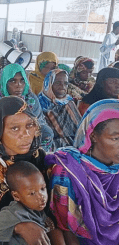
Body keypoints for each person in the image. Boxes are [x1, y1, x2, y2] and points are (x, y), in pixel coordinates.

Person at [0, 96, 58, 244]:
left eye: (29, 125)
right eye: (15, 128)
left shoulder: (36, 155)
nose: (26, 135)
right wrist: (20, 227)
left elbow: (46, 213)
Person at [46, 99, 119, 245]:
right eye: (115, 138)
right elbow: (67, 231)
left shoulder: (115, 168)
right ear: (93, 136)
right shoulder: (67, 172)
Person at [0, 64, 54, 151]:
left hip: (27, 135)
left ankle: (34, 156)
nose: (18, 85)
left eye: (22, 81)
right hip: (3, 139)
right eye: (13, 81)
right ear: (5, 83)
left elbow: (38, 123)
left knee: (47, 132)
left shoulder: (31, 99)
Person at [0, 161, 53, 245]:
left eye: (43, 188)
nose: (41, 196)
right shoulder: (11, 213)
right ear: (16, 196)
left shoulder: (38, 211)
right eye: (32, 193)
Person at [38, 69, 81, 150]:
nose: (63, 87)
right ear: (49, 84)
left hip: (76, 147)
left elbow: (80, 128)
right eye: (58, 83)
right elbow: (43, 137)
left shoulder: (69, 102)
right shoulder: (40, 105)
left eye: (66, 83)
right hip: (52, 149)